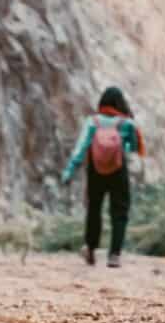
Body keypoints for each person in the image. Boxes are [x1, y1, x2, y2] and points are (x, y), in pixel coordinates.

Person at [62, 87, 145, 269]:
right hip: (118, 169)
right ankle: (114, 254)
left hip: (95, 170)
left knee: (94, 208)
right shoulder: (127, 123)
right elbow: (133, 148)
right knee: (120, 211)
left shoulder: (93, 122)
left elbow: (81, 147)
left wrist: (69, 171)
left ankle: (91, 249)